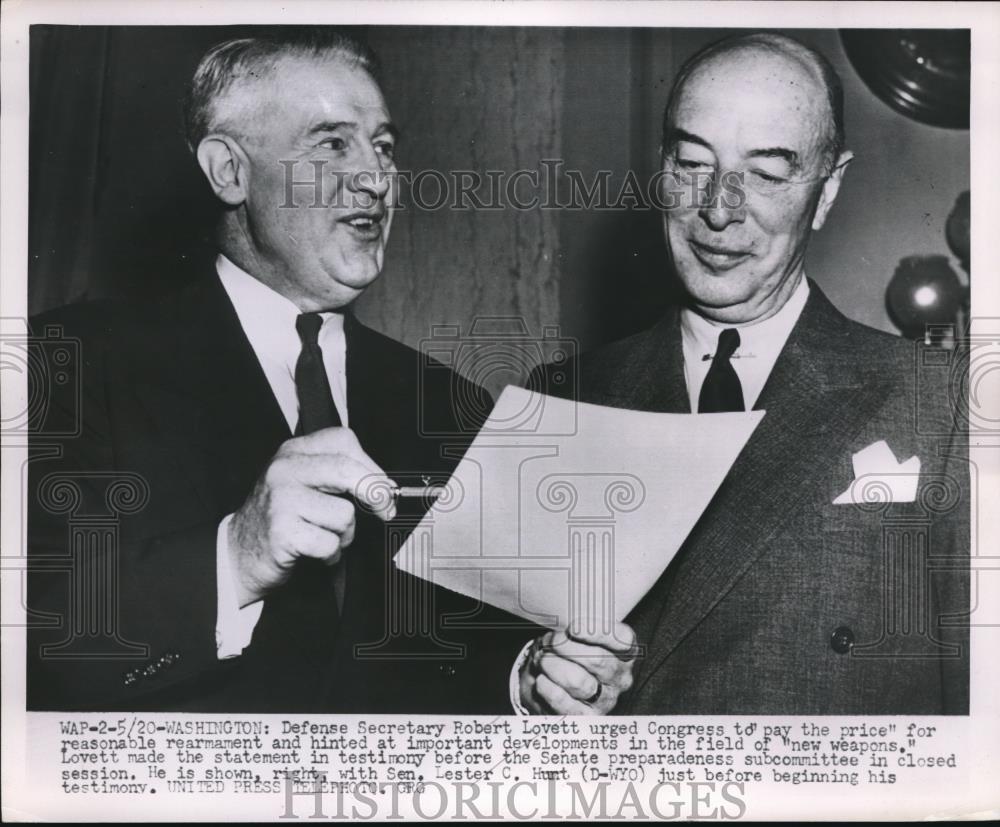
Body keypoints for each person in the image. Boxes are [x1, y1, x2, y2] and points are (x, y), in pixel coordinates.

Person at [26, 29, 633, 713]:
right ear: (229, 170)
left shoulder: (449, 402)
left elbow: (452, 659)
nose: (376, 178)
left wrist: (525, 681)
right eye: (332, 143)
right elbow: (33, 652)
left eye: (383, 145)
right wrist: (235, 558)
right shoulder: (68, 362)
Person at [524, 32, 968, 714]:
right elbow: (466, 658)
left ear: (827, 188)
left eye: (765, 172)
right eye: (693, 161)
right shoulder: (557, 398)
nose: (719, 207)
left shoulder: (943, 407)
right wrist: (533, 680)